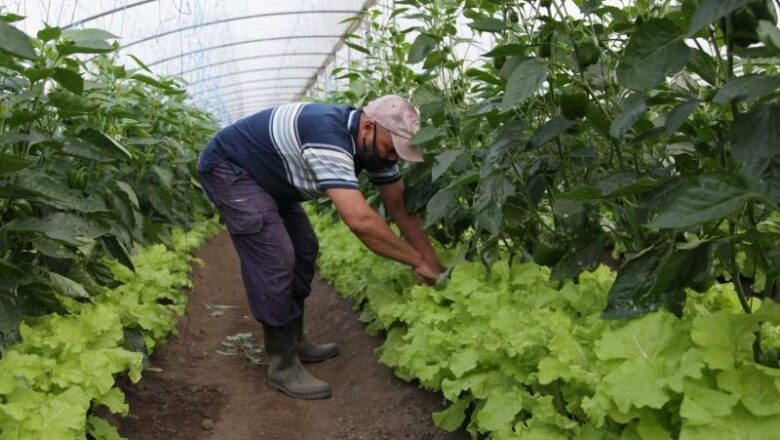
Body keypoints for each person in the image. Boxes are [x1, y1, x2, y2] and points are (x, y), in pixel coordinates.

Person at [197, 95, 445, 400]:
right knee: (275, 258)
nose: (393, 158)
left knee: (303, 248)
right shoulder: (328, 136)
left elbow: (401, 208)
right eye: (391, 149)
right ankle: (282, 364)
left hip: (270, 179)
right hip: (232, 171)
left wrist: (433, 263)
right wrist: (416, 261)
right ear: (368, 127)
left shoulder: (373, 150)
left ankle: (295, 339)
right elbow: (360, 221)